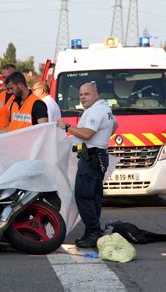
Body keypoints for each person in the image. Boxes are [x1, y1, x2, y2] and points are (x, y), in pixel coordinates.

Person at [58, 82, 118, 248]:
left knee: (83, 197)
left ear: (95, 95)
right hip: (97, 156)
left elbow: (87, 133)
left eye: (86, 94)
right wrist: (103, 138)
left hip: (91, 158)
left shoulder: (96, 111)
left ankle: (93, 232)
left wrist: (68, 127)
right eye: (80, 95)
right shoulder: (105, 109)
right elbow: (115, 125)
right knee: (93, 197)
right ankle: (91, 232)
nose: (83, 97)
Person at [0, 64, 16, 134]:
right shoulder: (1, 96)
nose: (5, 80)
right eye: (4, 77)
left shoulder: (19, 97)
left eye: (8, 77)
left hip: (9, 137)